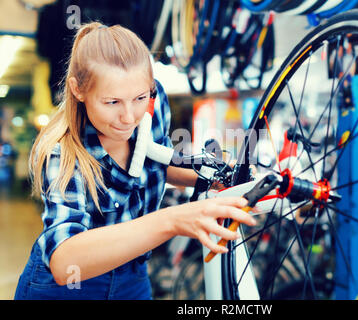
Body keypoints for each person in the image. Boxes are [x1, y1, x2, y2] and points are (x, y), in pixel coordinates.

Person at [14, 22, 256, 300]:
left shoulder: (154, 100)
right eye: (112, 102)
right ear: (78, 90)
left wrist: (225, 178)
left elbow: (156, 160)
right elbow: (64, 262)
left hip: (133, 278)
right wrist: (172, 220)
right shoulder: (62, 150)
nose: (130, 117)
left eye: (139, 97)